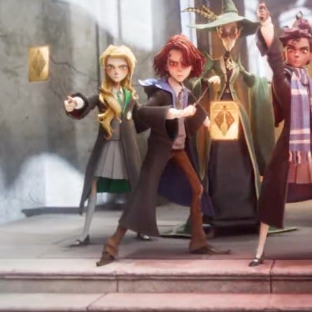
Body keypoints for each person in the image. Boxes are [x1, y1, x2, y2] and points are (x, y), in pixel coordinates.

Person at [96, 35, 228, 267]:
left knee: (197, 189)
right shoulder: (161, 92)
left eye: (184, 64)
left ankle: (198, 241)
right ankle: (112, 244)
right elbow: (143, 112)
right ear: (166, 65)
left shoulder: (185, 91)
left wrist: (209, 122)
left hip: (179, 150)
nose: (179, 69)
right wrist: (172, 113)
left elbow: (197, 110)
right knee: (142, 194)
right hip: (160, 150)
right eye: (173, 63)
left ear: (192, 66)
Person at [248, 4, 312, 267]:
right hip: (289, 148)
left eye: (303, 50)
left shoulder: (306, 82)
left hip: (311, 147)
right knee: (272, 197)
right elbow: (273, 59)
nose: (297, 54)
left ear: (310, 55)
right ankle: (259, 250)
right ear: (285, 51)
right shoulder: (282, 80)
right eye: (292, 49)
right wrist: (266, 24)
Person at [186, 0, 274, 232]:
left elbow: (248, 79)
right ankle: (219, 214)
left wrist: (259, 82)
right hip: (217, 117)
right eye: (223, 31)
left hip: (236, 116)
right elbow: (194, 83)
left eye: (232, 31)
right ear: (218, 32)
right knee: (217, 163)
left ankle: (246, 213)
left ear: (238, 32)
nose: (228, 35)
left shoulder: (236, 62)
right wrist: (207, 81)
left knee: (243, 162)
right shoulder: (211, 61)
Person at [63, 44, 149, 246]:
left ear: (128, 69)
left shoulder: (130, 96)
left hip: (127, 149)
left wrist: (160, 116)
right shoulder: (103, 94)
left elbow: (141, 117)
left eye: (121, 67)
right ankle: (85, 233)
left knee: (134, 187)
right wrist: (75, 104)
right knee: (93, 186)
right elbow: (87, 103)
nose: (116, 71)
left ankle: (140, 228)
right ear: (106, 70)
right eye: (111, 67)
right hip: (107, 147)